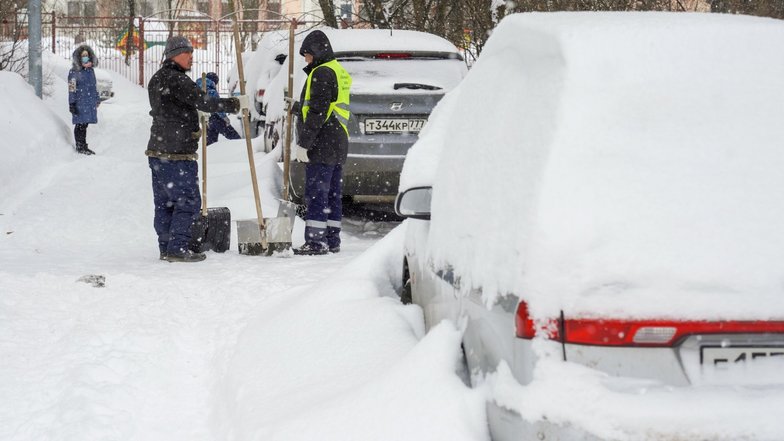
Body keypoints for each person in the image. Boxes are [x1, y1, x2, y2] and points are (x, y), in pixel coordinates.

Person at [146, 36, 249, 263]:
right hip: (177, 153)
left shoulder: (157, 79)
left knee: (164, 203)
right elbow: (205, 102)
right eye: (187, 53)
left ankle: (165, 247)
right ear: (174, 55)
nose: (192, 57)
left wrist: (190, 113)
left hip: (157, 152)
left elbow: (176, 107)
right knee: (188, 202)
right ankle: (177, 248)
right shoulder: (178, 80)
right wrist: (234, 104)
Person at [291, 30, 352, 256]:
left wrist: (304, 144)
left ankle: (316, 242)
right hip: (337, 140)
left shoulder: (321, 73)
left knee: (317, 192)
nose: (306, 60)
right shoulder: (337, 70)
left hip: (322, 141)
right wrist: (296, 107)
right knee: (332, 193)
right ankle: (332, 239)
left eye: (307, 55)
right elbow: (328, 105)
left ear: (316, 52)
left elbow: (318, 111)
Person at [68, 45, 99, 155]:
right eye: (83, 56)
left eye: (86, 55)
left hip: (89, 102)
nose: (85, 57)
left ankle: (83, 145)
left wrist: (97, 98)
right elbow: (71, 89)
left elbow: (93, 86)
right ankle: (80, 146)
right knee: (80, 125)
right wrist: (72, 103)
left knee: (84, 124)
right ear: (78, 57)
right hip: (80, 102)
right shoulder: (74, 72)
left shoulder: (90, 70)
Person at [195, 72, 241, 145]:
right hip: (216, 117)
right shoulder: (212, 91)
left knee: (211, 141)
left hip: (206, 118)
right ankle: (240, 146)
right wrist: (225, 117)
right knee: (233, 136)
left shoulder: (198, 89)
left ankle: (211, 153)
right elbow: (218, 106)